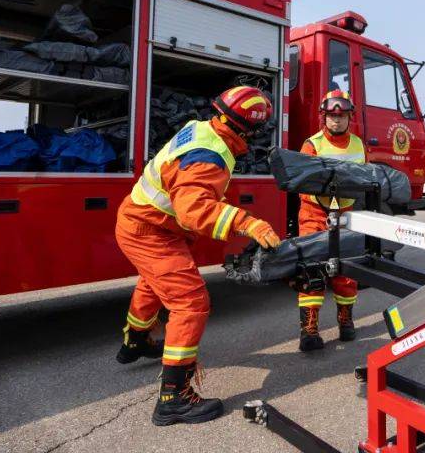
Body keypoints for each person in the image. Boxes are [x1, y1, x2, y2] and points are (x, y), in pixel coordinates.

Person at [115, 85, 282, 426]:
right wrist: (246, 222)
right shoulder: (212, 155)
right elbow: (193, 210)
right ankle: (173, 398)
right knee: (190, 302)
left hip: (145, 222)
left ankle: (134, 341)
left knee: (152, 284)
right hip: (151, 231)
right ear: (251, 129)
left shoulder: (201, 129)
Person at [294, 89, 366, 352]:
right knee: (311, 271)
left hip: (346, 216)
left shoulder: (358, 145)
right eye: (332, 116)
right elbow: (303, 184)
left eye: (342, 115)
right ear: (324, 117)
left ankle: (345, 321)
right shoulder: (311, 145)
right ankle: (309, 330)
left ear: (349, 117)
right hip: (315, 213)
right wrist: (325, 211)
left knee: (347, 272)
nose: (337, 120)